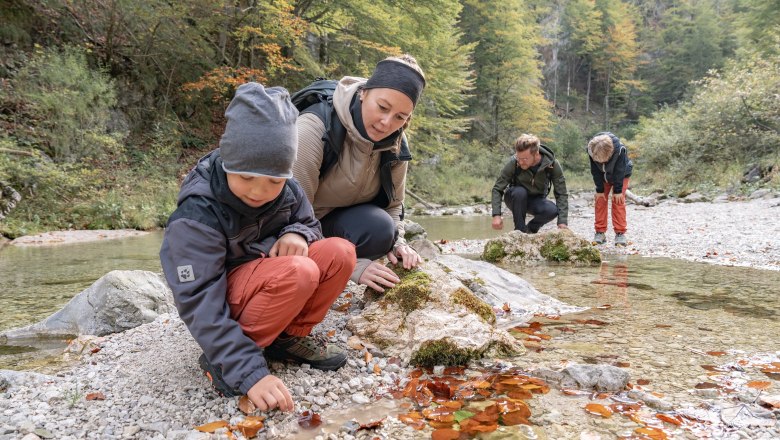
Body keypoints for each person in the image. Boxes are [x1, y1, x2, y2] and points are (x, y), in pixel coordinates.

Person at [159, 83, 356, 412]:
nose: (260, 191)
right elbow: (197, 299)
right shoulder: (197, 214)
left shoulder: (288, 189)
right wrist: (249, 373)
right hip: (227, 299)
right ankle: (229, 360)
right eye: (246, 177)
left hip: (268, 280)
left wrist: (297, 233)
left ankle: (286, 339)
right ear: (228, 162)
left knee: (341, 253)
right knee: (301, 270)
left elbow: (310, 224)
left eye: (274, 181)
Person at [293, 55, 426, 293]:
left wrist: (400, 245)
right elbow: (288, 214)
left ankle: (329, 261)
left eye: (400, 117)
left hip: (333, 222)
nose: (386, 123)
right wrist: (353, 266)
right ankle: (322, 265)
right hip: (293, 225)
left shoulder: (396, 144)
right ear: (364, 92)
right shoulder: (314, 128)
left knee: (382, 230)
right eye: (383, 107)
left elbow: (394, 206)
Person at [491, 134, 569, 233]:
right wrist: (496, 215)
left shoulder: (552, 165)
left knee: (552, 210)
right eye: (519, 158)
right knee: (520, 192)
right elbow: (497, 189)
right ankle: (519, 231)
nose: (521, 162)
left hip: (536, 200)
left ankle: (530, 230)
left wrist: (562, 222)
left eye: (525, 159)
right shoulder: (514, 163)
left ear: (536, 154)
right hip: (514, 197)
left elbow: (561, 193)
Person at [587, 132, 633, 246]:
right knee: (600, 199)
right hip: (603, 176)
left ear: (610, 152)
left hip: (621, 175)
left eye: (603, 160)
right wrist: (599, 189)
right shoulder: (591, 149)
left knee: (618, 201)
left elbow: (620, 171)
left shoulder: (620, 150)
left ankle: (620, 233)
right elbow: (595, 170)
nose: (601, 162)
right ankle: (600, 232)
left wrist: (617, 191)